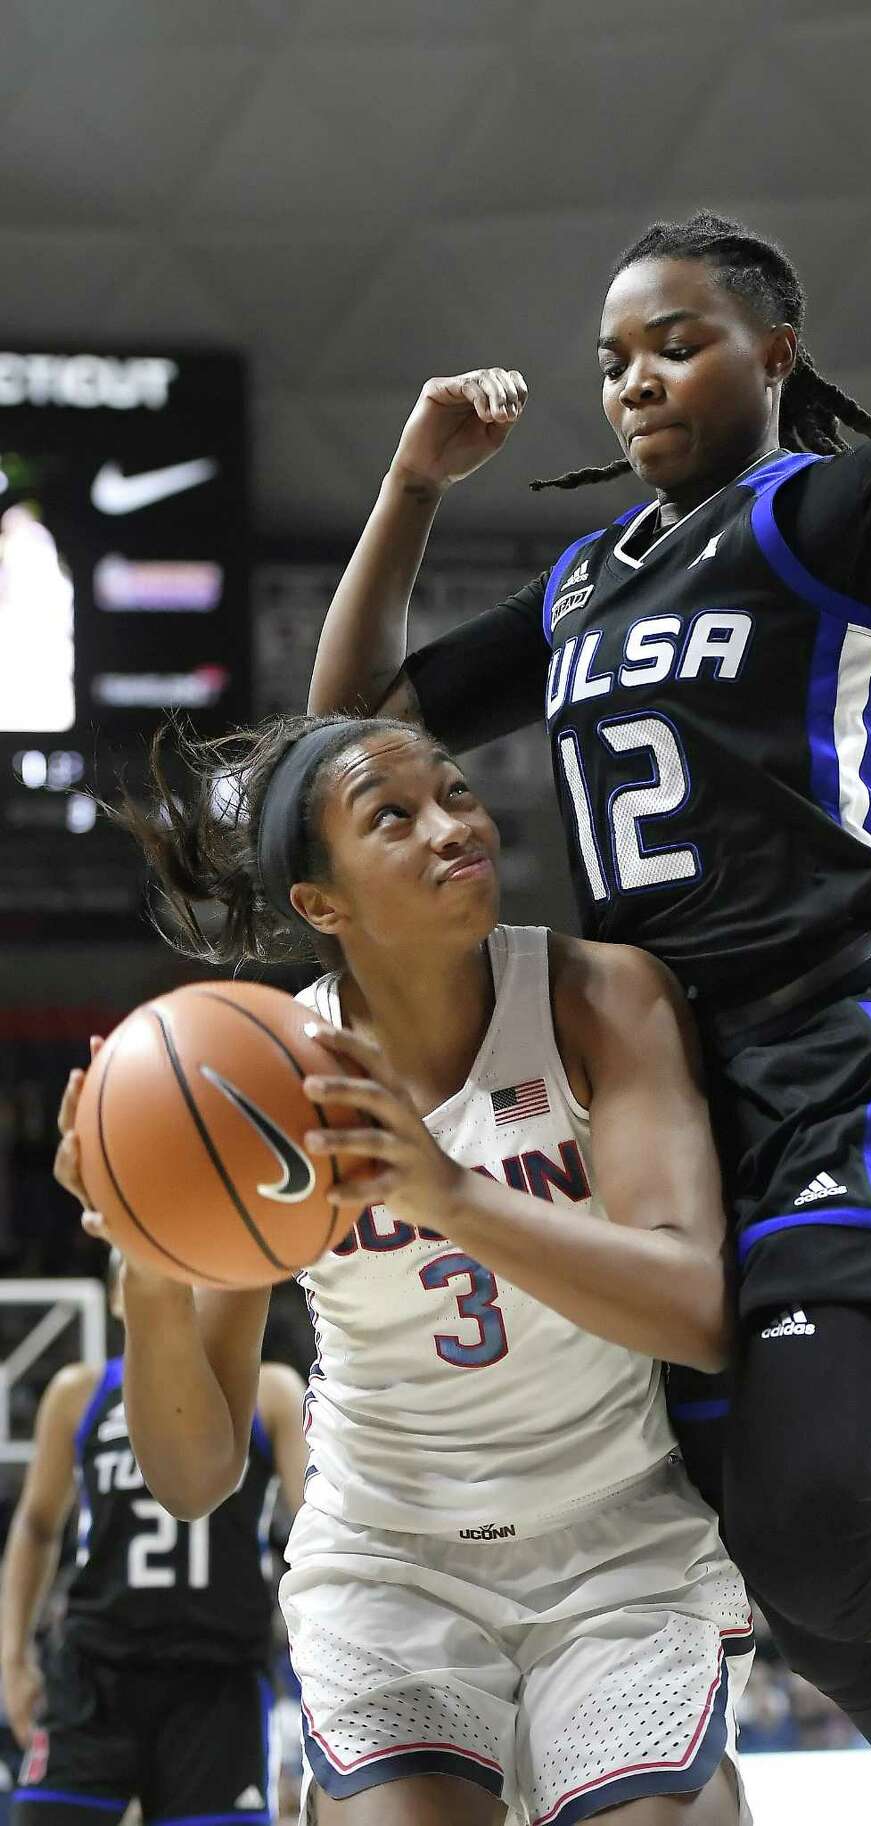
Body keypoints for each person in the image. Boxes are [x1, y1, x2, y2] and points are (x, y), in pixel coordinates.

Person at [305, 16, 871, 1826]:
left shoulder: (825, 511)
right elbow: (347, 734)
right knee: (793, 1570)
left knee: (812, 1524)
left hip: (837, 1039)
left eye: (677, 342)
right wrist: (410, 490)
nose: (633, 380)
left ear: (772, 354)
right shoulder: (575, 583)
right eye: (614, 359)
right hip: (663, 1091)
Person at [52, 711, 756, 1826]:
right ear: (321, 905)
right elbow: (193, 1477)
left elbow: (702, 1308)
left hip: (619, 1541)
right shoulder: (271, 1080)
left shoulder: (599, 994)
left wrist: (456, 1197)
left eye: (457, 792)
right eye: (396, 815)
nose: (451, 824)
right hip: (389, 1559)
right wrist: (148, 1269)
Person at [0, 1247, 306, 1826]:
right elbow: (37, 1526)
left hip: (219, 1677)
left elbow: (315, 1522)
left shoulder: (271, 1393)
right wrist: (11, 1656)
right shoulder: (79, 1394)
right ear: (122, 1295)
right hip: (97, 1670)